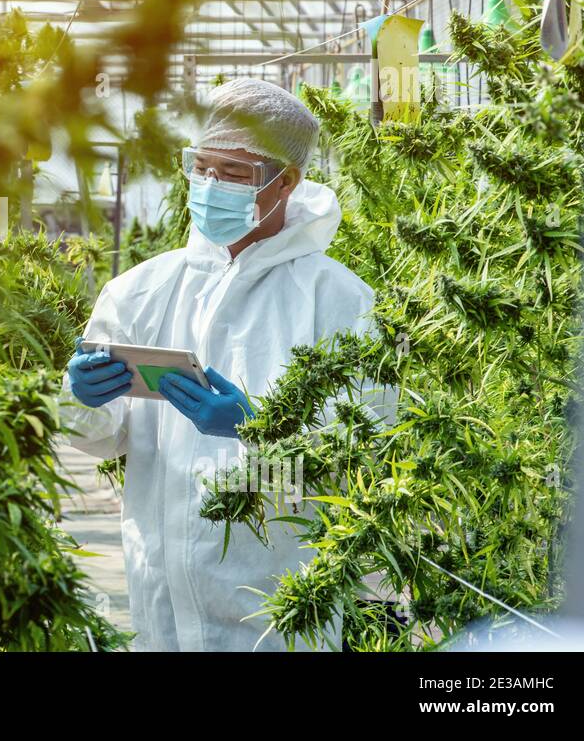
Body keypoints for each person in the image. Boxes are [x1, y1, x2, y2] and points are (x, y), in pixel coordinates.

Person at [63, 77, 393, 651]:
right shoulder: (140, 291)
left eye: (234, 174)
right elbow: (103, 436)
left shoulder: (338, 301)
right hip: (160, 604)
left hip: (278, 615)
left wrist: (260, 431)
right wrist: (82, 399)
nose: (211, 186)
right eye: (202, 167)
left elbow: (365, 459)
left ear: (285, 181)